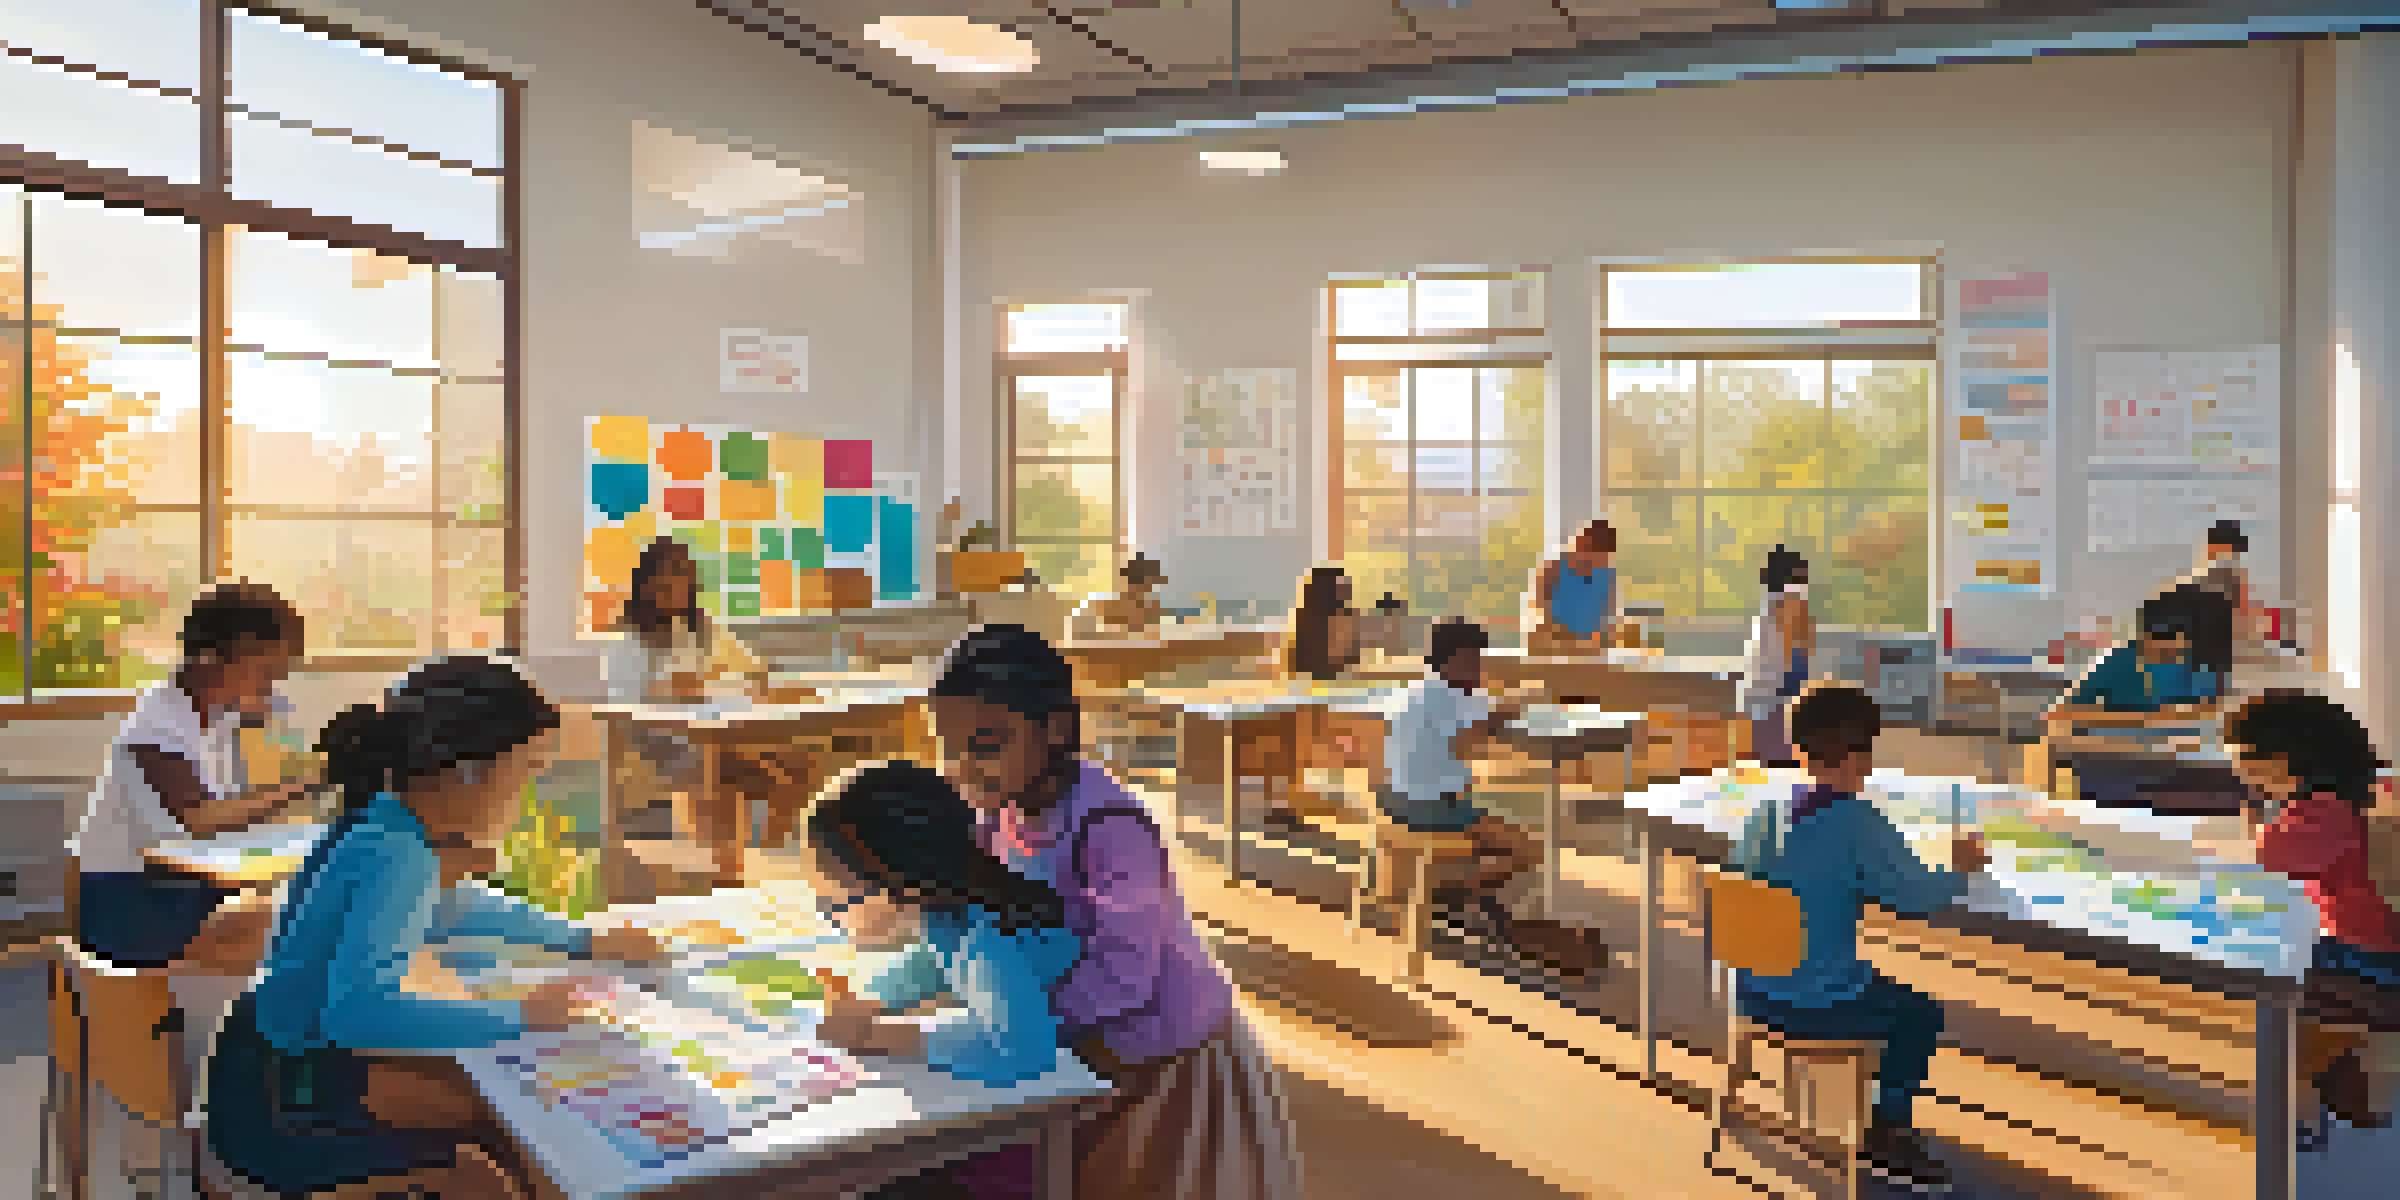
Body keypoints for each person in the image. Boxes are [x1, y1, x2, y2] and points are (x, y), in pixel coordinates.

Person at [207, 656, 666, 1200]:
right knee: (514, 1134)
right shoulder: (396, 851)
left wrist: (580, 939)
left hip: (269, 1073)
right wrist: (521, 1017)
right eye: (529, 772)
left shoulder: (385, 821)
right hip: (282, 1106)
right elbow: (355, 1013)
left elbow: (453, 909)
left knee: (499, 1112)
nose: (527, 795)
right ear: (471, 770)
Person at [927, 625, 1303, 1200]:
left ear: (1053, 729)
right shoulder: (995, 818)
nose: (961, 767)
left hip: (1161, 1061)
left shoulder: (1111, 830)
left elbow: (1124, 979)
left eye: (985, 745)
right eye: (948, 748)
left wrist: (1013, 1017)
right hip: (1074, 1044)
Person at [1729, 682, 1989, 1191]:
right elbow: (1916, 896)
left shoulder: (1764, 813)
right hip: (1816, 1004)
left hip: (1752, 990)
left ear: (1798, 747)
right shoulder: (1856, 819)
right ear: (1860, 754)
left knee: (1861, 979)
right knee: (1920, 1011)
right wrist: (1960, 868)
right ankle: (1885, 1130)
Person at [799, 761, 1083, 1200]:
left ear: (900, 883)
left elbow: (1022, 1050)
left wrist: (882, 1036)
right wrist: (871, 998)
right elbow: (931, 964)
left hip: (1039, 1135)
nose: (833, 916)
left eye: (840, 898)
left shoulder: (985, 938)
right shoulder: (946, 910)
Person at [2227, 689, 2400, 1146]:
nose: (2238, 770)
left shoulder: (2319, 812)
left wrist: (2260, 815)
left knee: (2270, 1014)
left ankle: (2295, 1133)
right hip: (2374, 953)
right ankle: (2334, 1111)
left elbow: (2268, 860)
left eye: (2244, 758)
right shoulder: (2369, 794)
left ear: (2284, 762)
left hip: (2369, 965)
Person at [606, 535, 806, 887]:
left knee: (793, 767)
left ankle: (745, 862)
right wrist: (686, 691)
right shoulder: (632, 638)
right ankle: (724, 871)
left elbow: (752, 668)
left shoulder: (700, 628)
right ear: (646, 587)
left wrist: (742, 681)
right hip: (656, 742)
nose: (673, 595)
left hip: (711, 734)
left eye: (681, 585)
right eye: (664, 586)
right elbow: (633, 704)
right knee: (725, 771)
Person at [1374, 618, 1543, 952]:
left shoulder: (1431, 689)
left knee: (1494, 838)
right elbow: (1465, 742)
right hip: (1427, 806)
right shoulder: (1441, 695)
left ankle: (1458, 900)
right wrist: (1508, 710)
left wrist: (1501, 707)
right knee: (1527, 848)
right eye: (1473, 659)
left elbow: (1475, 721)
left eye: (1480, 658)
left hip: (1399, 799)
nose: (1479, 666)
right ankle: (1441, 894)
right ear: (1450, 660)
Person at [2045, 585, 2231, 726]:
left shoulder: (2198, 669)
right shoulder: (2119, 662)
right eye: (2157, 635)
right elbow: (2061, 713)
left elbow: (2207, 717)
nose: (2164, 648)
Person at [1271, 565, 1369, 831]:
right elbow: (1346, 658)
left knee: (1298, 756)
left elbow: (1292, 663)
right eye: (1343, 586)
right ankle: (1301, 806)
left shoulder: (1301, 621)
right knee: (1317, 755)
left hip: (1303, 691)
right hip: (1328, 691)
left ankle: (1291, 806)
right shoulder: (1342, 618)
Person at [1739, 546, 1817, 767]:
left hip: (1762, 708)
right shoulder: (1790, 604)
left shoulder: (1766, 612)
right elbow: (1795, 663)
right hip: (1779, 707)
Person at [1529, 520, 1622, 653]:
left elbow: (1606, 618)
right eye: (1589, 547)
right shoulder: (1554, 569)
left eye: (1601, 554)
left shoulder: (1606, 577)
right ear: (1580, 542)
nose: (1595, 557)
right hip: (1553, 639)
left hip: (1589, 645)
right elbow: (1539, 611)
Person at [1068, 552, 1168, 639]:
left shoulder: (1152, 606)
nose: (1149, 589)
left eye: (1151, 584)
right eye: (1145, 583)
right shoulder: (1101, 606)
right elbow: (1078, 631)